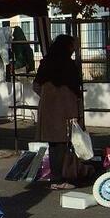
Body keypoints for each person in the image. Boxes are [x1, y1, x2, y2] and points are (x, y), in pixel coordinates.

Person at [32, 34, 83, 190]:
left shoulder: (46, 63)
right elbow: (75, 89)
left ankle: (56, 179)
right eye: (73, 46)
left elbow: (36, 86)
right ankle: (60, 178)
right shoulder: (69, 65)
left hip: (48, 111)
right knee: (62, 145)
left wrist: (48, 97)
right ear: (67, 47)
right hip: (65, 111)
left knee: (54, 145)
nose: (74, 49)